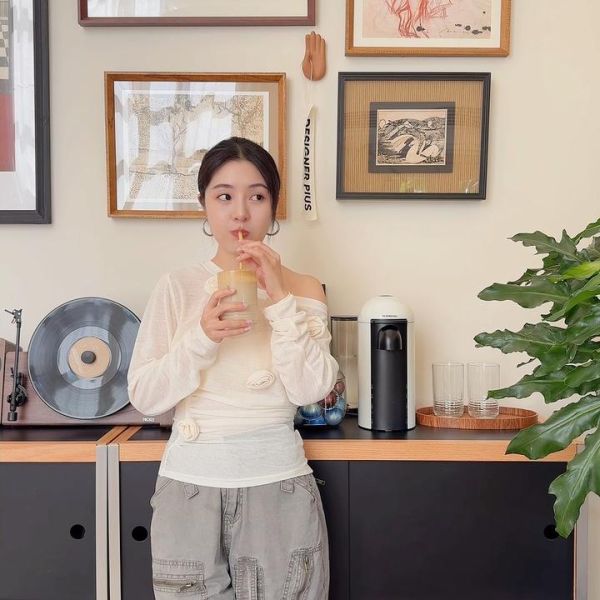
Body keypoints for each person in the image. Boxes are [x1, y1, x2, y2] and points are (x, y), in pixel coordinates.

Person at [127, 136, 338, 599]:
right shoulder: (178, 286)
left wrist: (278, 297)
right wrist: (201, 338)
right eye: (224, 196)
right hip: (189, 490)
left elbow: (310, 390)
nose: (240, 213)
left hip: (278, 487)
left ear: (273, 207)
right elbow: (145, 396)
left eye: (256, 196)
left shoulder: (303, 288)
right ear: (204, 206)